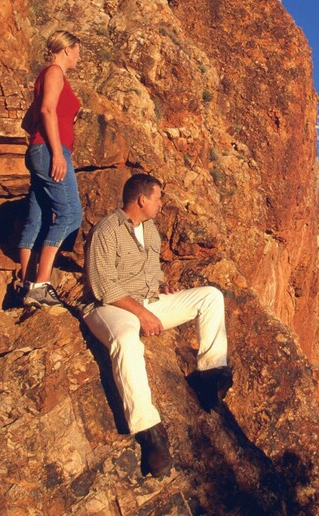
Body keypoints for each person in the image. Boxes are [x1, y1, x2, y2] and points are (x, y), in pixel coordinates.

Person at [83, 173, 233, 478]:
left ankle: (209, 375)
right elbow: (102, 286)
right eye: (157, 197)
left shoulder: (150, 230)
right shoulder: (107, 230)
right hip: (109, 307)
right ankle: (150, 432)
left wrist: (160, 287)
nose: (161, 203)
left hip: (146, 302)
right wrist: (142, 314)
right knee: (126, 339)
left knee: (210, 297)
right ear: (142, 199)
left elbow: (152, 271)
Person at [18, 30, 85, 307]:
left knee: (40, 214)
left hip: (41, 149)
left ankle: (26, 284)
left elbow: (32, 118)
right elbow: (46, 111)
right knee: (70, 215)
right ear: (67, 49)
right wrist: (57, 153)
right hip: (49, 150)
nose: (80, 56)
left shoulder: (47, 75)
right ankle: (41, 284)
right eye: (78, 50)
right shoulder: (55, 72)